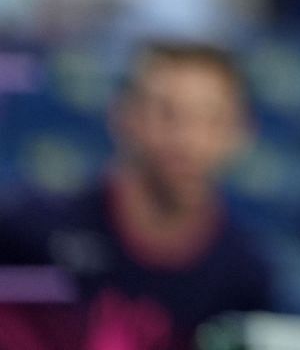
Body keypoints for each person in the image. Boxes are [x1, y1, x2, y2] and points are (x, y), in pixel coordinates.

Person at [0, 41, 273, 350]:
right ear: (123, 115)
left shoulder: (245, 274)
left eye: (212, 120)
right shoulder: (27, 230)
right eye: (167, 114)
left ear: (242, 132)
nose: (189, 141)